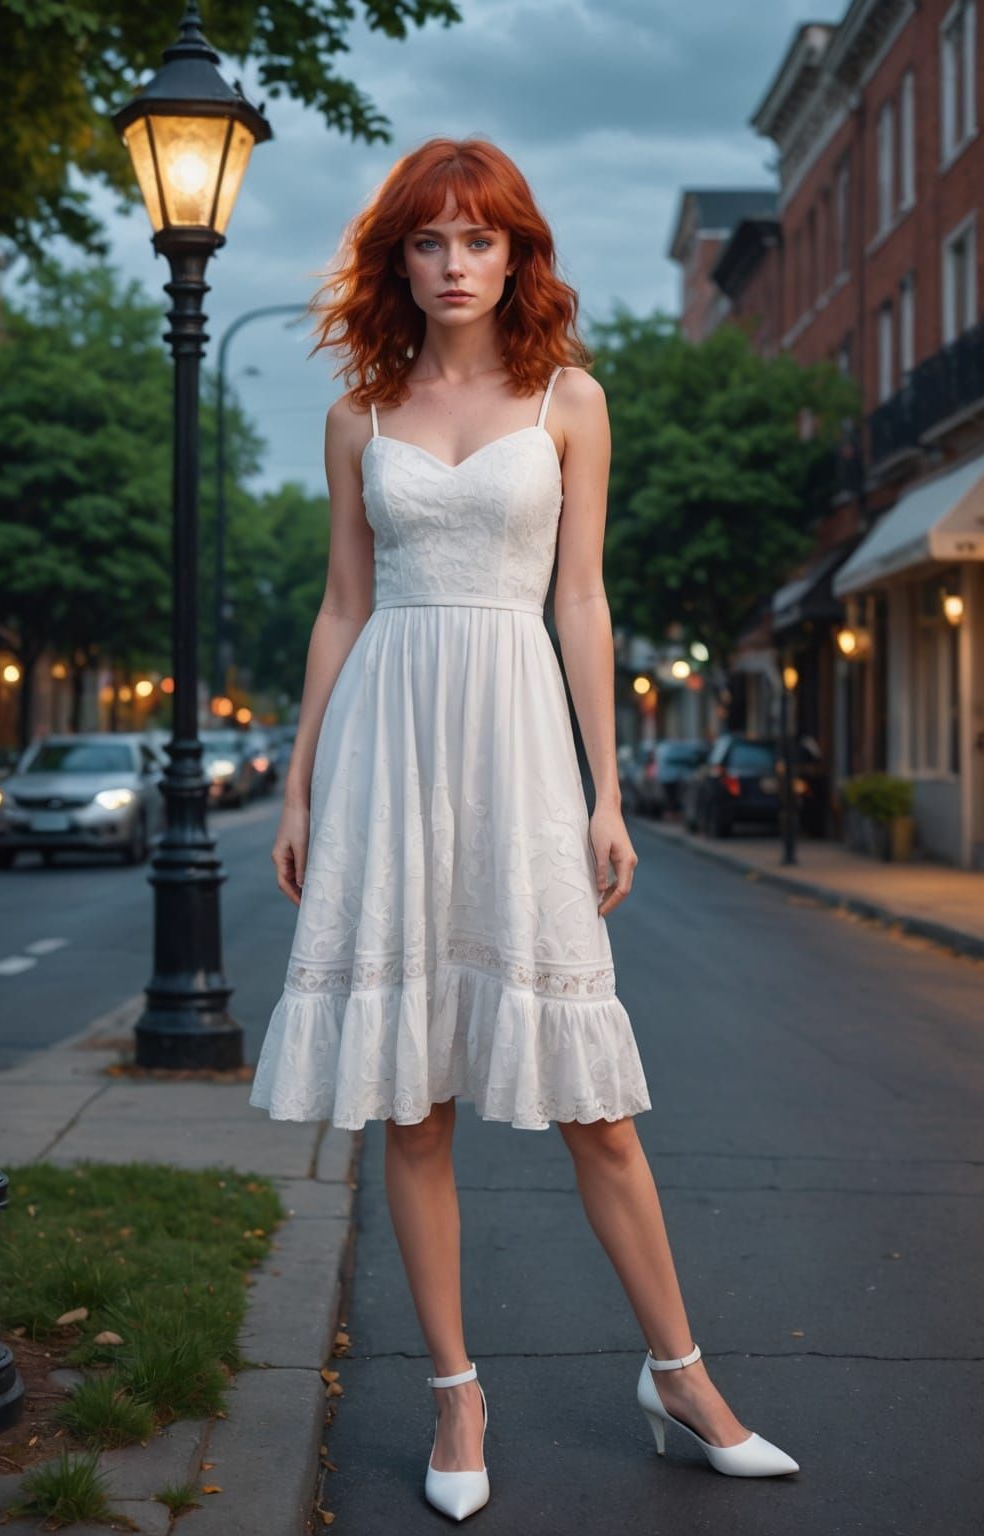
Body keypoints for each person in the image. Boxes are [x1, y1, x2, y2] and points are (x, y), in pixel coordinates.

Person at [248, 136, 798, 1520]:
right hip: (386, 747)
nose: (452, 265)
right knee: (416, 1103)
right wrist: (301, 782)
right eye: (427, 242)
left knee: (594, 1106)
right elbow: (340, 608)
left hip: (515, 740)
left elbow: (582, 605)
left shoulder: (571, 400)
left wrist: (609, 791)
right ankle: (454, 1394)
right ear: (399, 261)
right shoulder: (356, 416)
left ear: (516, 256)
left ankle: (681, 1374)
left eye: (477, 241)